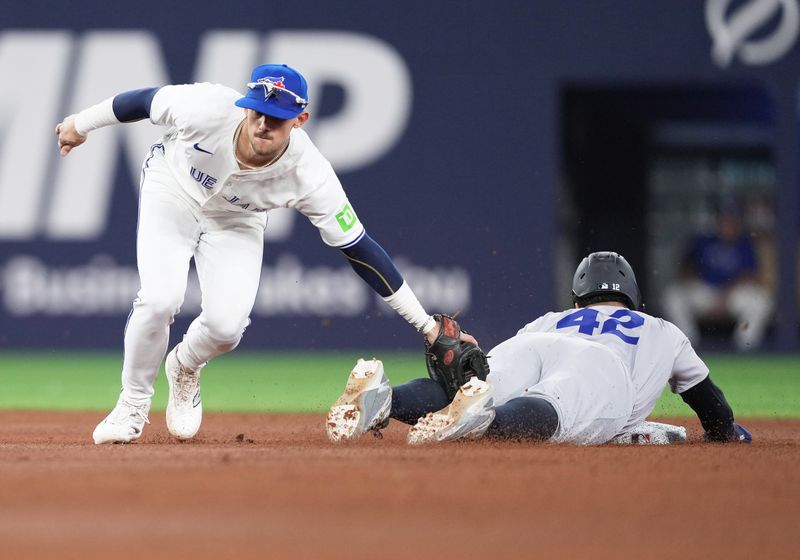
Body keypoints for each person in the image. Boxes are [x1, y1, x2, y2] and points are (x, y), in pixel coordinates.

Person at [56, 63, 472, 444]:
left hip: (237, 221)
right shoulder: (206, 106)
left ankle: (184, 365)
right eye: (256, 111)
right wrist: (80, 123)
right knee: (159, 298)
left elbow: (359, 248)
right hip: (173, 192)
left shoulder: (309, 172)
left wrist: (426, 326)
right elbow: (142, 101)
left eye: (276, 118)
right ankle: (132, 406)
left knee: (226, 328)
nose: (262, 123)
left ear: (300, 120)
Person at [326, 251, 752, 446]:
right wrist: (725, 433)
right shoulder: (661, 329)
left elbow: (495, 374)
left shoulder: (551, 318)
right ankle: (479, 425)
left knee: (471, 390)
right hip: (602, 367)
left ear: (577, 297)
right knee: (550, 406)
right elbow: (712, 407)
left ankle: (386, 398)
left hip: (534, 343)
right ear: (634, 297)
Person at [662, 205, 774, 351]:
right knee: (673, 296)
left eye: (731, 221)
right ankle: (688, 347)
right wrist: (692, 279)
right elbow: (685, 268)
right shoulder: (703, 241)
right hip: (705, 292)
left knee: (761, 301)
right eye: (724, 221)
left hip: (733, 294)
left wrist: (724, 295)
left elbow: (749, 275)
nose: (727, 225)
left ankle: (745, 349)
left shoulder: (745, 244)